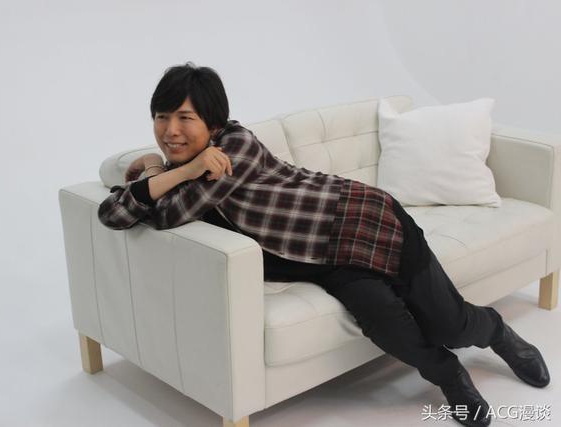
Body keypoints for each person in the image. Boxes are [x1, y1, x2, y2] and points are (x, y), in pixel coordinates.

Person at [98, 62, 550, 427]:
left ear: (213, 123)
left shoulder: (235, 148)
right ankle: (449, 375)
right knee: (388, 325)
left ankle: (498, 332)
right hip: (323, 259)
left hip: (365, 222)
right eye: (161, 117)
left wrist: (163, 173)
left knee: (449, 324)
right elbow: (112, 214)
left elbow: (165, 214)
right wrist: (166, 169)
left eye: (185, 118)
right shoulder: (187, 170)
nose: (170, 131)